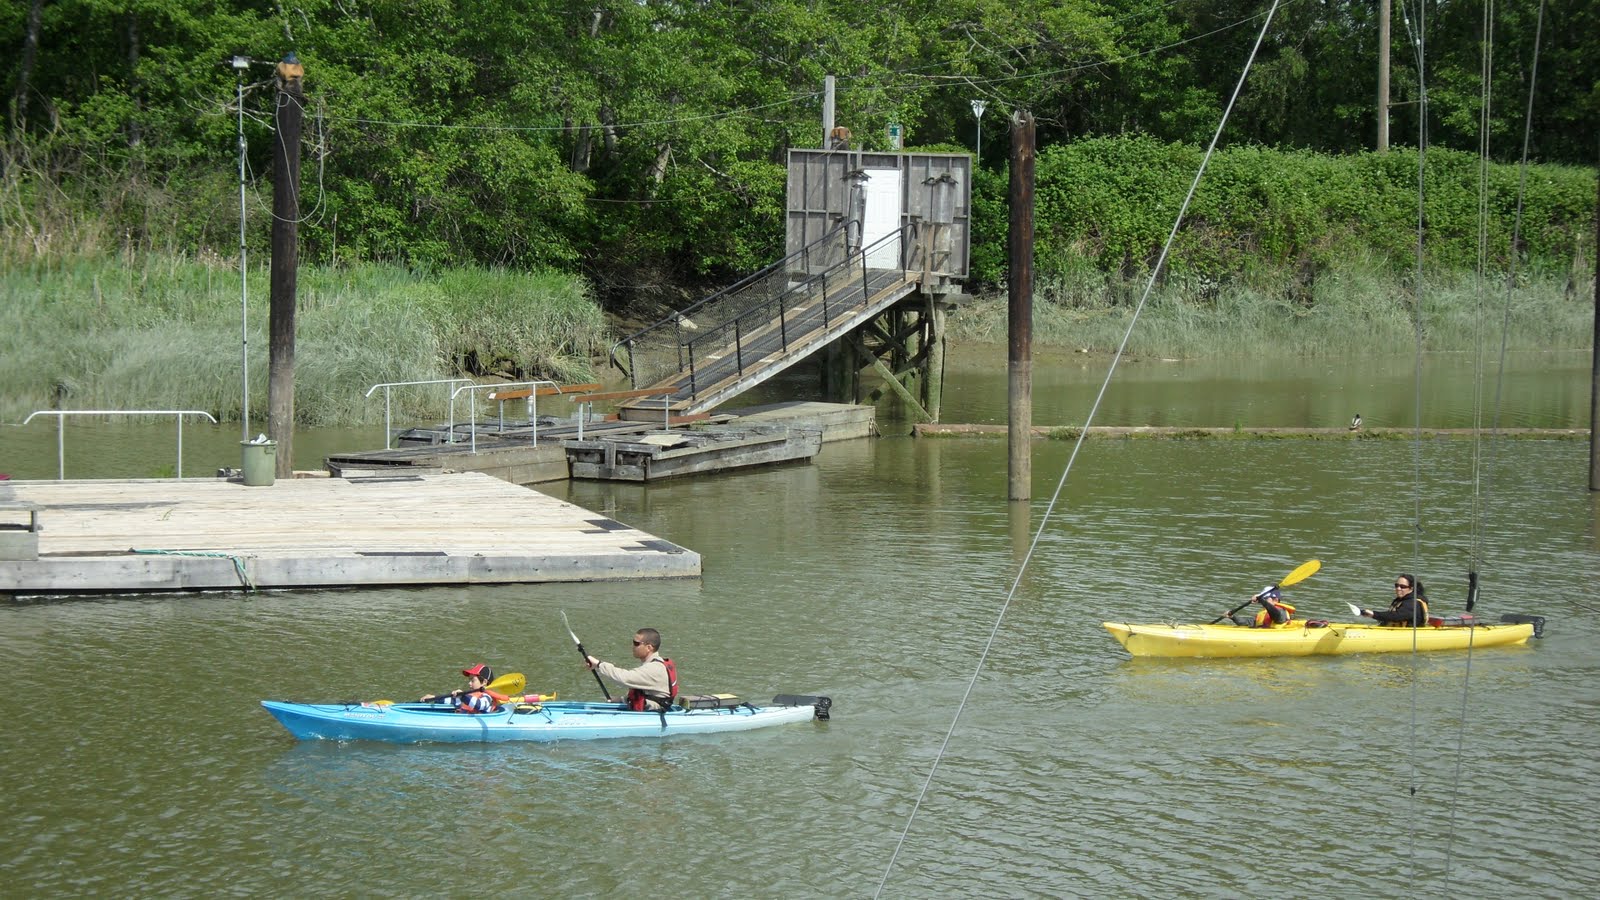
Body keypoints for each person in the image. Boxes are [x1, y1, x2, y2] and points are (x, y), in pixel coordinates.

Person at [584, 628, 679, 711]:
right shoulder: (652, 664)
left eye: (636, 643)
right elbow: (645, 692)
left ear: (649, 647)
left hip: (655, 713)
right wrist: (621, 700)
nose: (632, 646)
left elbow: (624, 678)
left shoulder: (654, 669)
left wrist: (599, 664)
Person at [419, 663, 502, 713]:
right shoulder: (470, 696)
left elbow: (479, 705)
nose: (469, 683)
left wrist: (463, 696)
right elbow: (452, 701)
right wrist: (434, 698)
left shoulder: (487, 698)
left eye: (472, 680)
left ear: (484, 682)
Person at [1358, 575, 1429, 627]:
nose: (1398, 588)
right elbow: (1390, 617)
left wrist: (1374, 614)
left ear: (1411, 588)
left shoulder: (1413, 603)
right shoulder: (1402, 600)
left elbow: (1396, 616)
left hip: (1407, 634)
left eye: (1402, 587)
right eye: (1396, 585)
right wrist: (1370, 615)